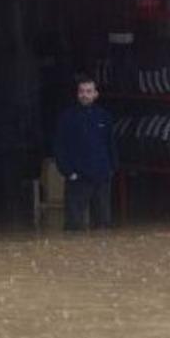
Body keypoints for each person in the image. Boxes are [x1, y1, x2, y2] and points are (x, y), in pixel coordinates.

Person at [54, 75, 118, 231]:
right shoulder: (67, 118)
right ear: (77, 94)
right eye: (82, 91)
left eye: (89, 91)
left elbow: (111, 144)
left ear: (95, 94)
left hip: (101, 177)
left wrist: (112, 168)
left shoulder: (104, 117)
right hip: (78, 179)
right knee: (74, 226)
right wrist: (68, 172)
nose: (85, 95)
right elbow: (59, 147)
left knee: (103, 225)